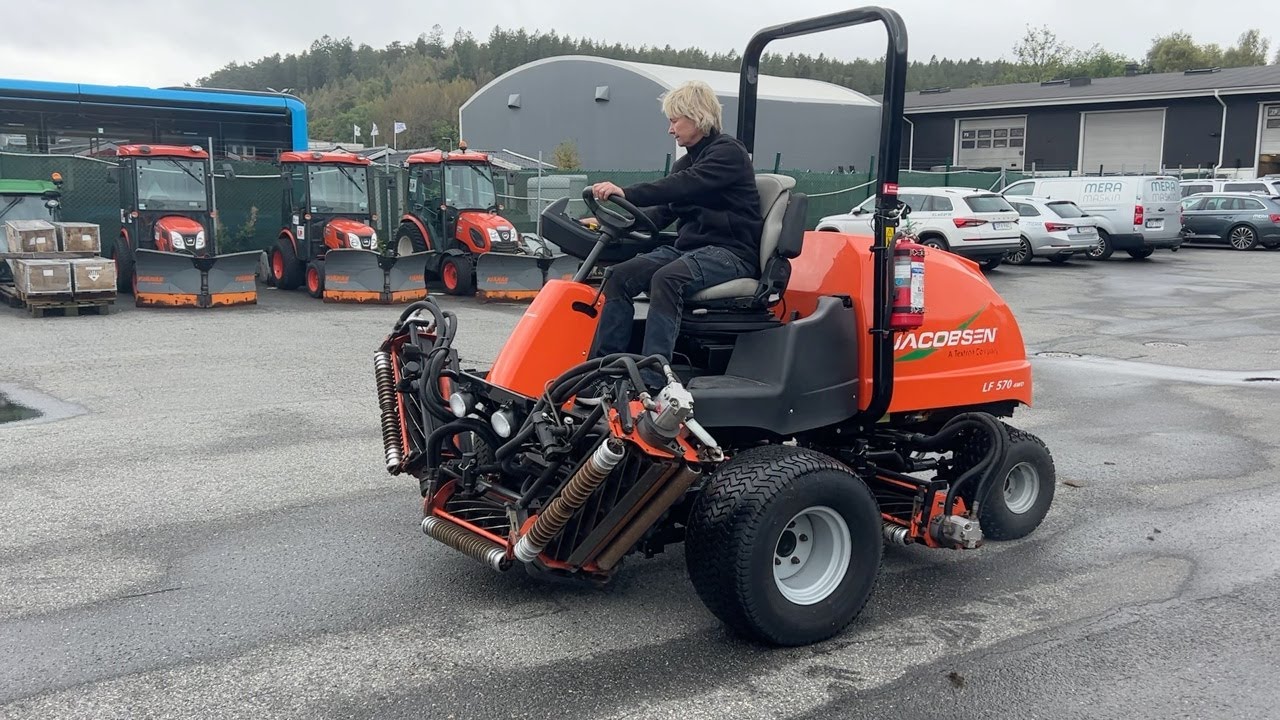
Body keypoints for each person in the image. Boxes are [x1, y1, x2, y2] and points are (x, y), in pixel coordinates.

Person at [582, 80, 763, 396]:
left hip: (731, 253)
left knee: (667, 279)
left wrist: (627, 192)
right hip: (691, 250)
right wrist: (607, 221)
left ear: (697, 116)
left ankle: (654, 382)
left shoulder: (728, 154)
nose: (670, 130)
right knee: (619, 276)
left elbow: (683, 185)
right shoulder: (687, 163)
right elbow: (662, 211)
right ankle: (605, 373)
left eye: (674, 121)